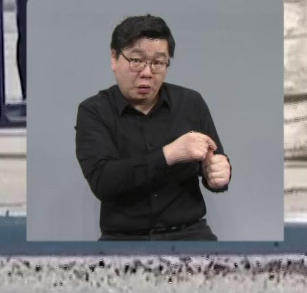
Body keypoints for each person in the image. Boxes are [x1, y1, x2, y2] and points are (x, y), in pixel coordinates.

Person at [74, 14, 230, 242]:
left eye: (158, 62)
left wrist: (218, 174)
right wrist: (169, 155)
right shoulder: (94, 111)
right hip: (123, 239)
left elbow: (214, 163)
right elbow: (103, 181)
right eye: (136, 61)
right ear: (114, 58)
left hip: (189, 235)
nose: (147, 72)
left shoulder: (190, 103)